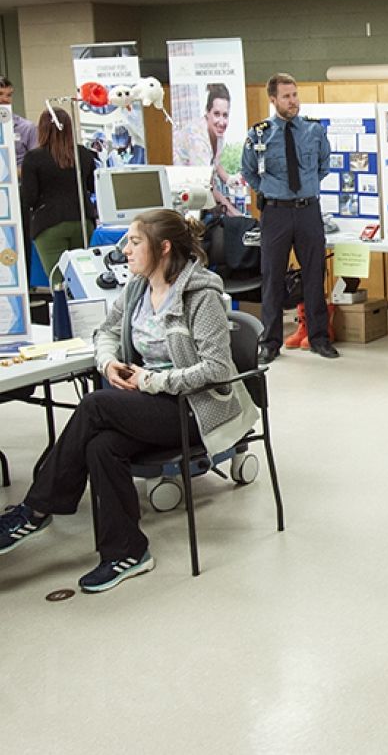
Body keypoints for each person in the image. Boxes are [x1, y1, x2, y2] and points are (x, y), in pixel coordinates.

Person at [0, 209, 259, 592]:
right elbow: (104, 332)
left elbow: (217, 369)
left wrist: (153, 380)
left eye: (135, 242)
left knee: (95, 406)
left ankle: (35, 510)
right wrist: (108, 364)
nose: (126, 250)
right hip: (150, 403)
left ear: (164, 247)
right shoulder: (138, 288)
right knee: (102, 446)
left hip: (194, 408)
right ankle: (128, 552)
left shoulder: (201, 294)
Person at [241, 72, 338, 363]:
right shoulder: (259, 134)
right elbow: (249, 171)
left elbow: (323, 166)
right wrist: (271, 190)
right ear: (273, 99)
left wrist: (305, 188)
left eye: (295, 95)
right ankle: (270, 342)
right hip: (276, 212)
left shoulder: (314, 130)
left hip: (308, 210)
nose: (293, 101)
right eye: (286, 96)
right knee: (272, 276)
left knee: (314, 274)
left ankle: (319, 338)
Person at [19, 107, 97, 277]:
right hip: (82, 221)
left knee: (59, 280)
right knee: (85, 278)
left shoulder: (33, 158)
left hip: (48, 224)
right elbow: (92, 187)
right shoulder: (83, 153)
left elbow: (29, 198)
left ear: (42, 129)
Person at [174, 82, 242, 217]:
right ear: (207, 112)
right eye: (217, 114)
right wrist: (233, 211)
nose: (221, 122)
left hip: (200, 193)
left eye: (225, 115)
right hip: (184, 196)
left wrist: (229, 179)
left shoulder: (217, 132)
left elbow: (215, 162)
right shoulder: (197, 139)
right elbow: (206, 184)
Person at [0, 75, 38, 166]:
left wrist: (14, 172)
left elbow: (37, 165)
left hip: (20, 174)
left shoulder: (27, 128)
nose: (5, 99)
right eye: (0, 94)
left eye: (9, 95)